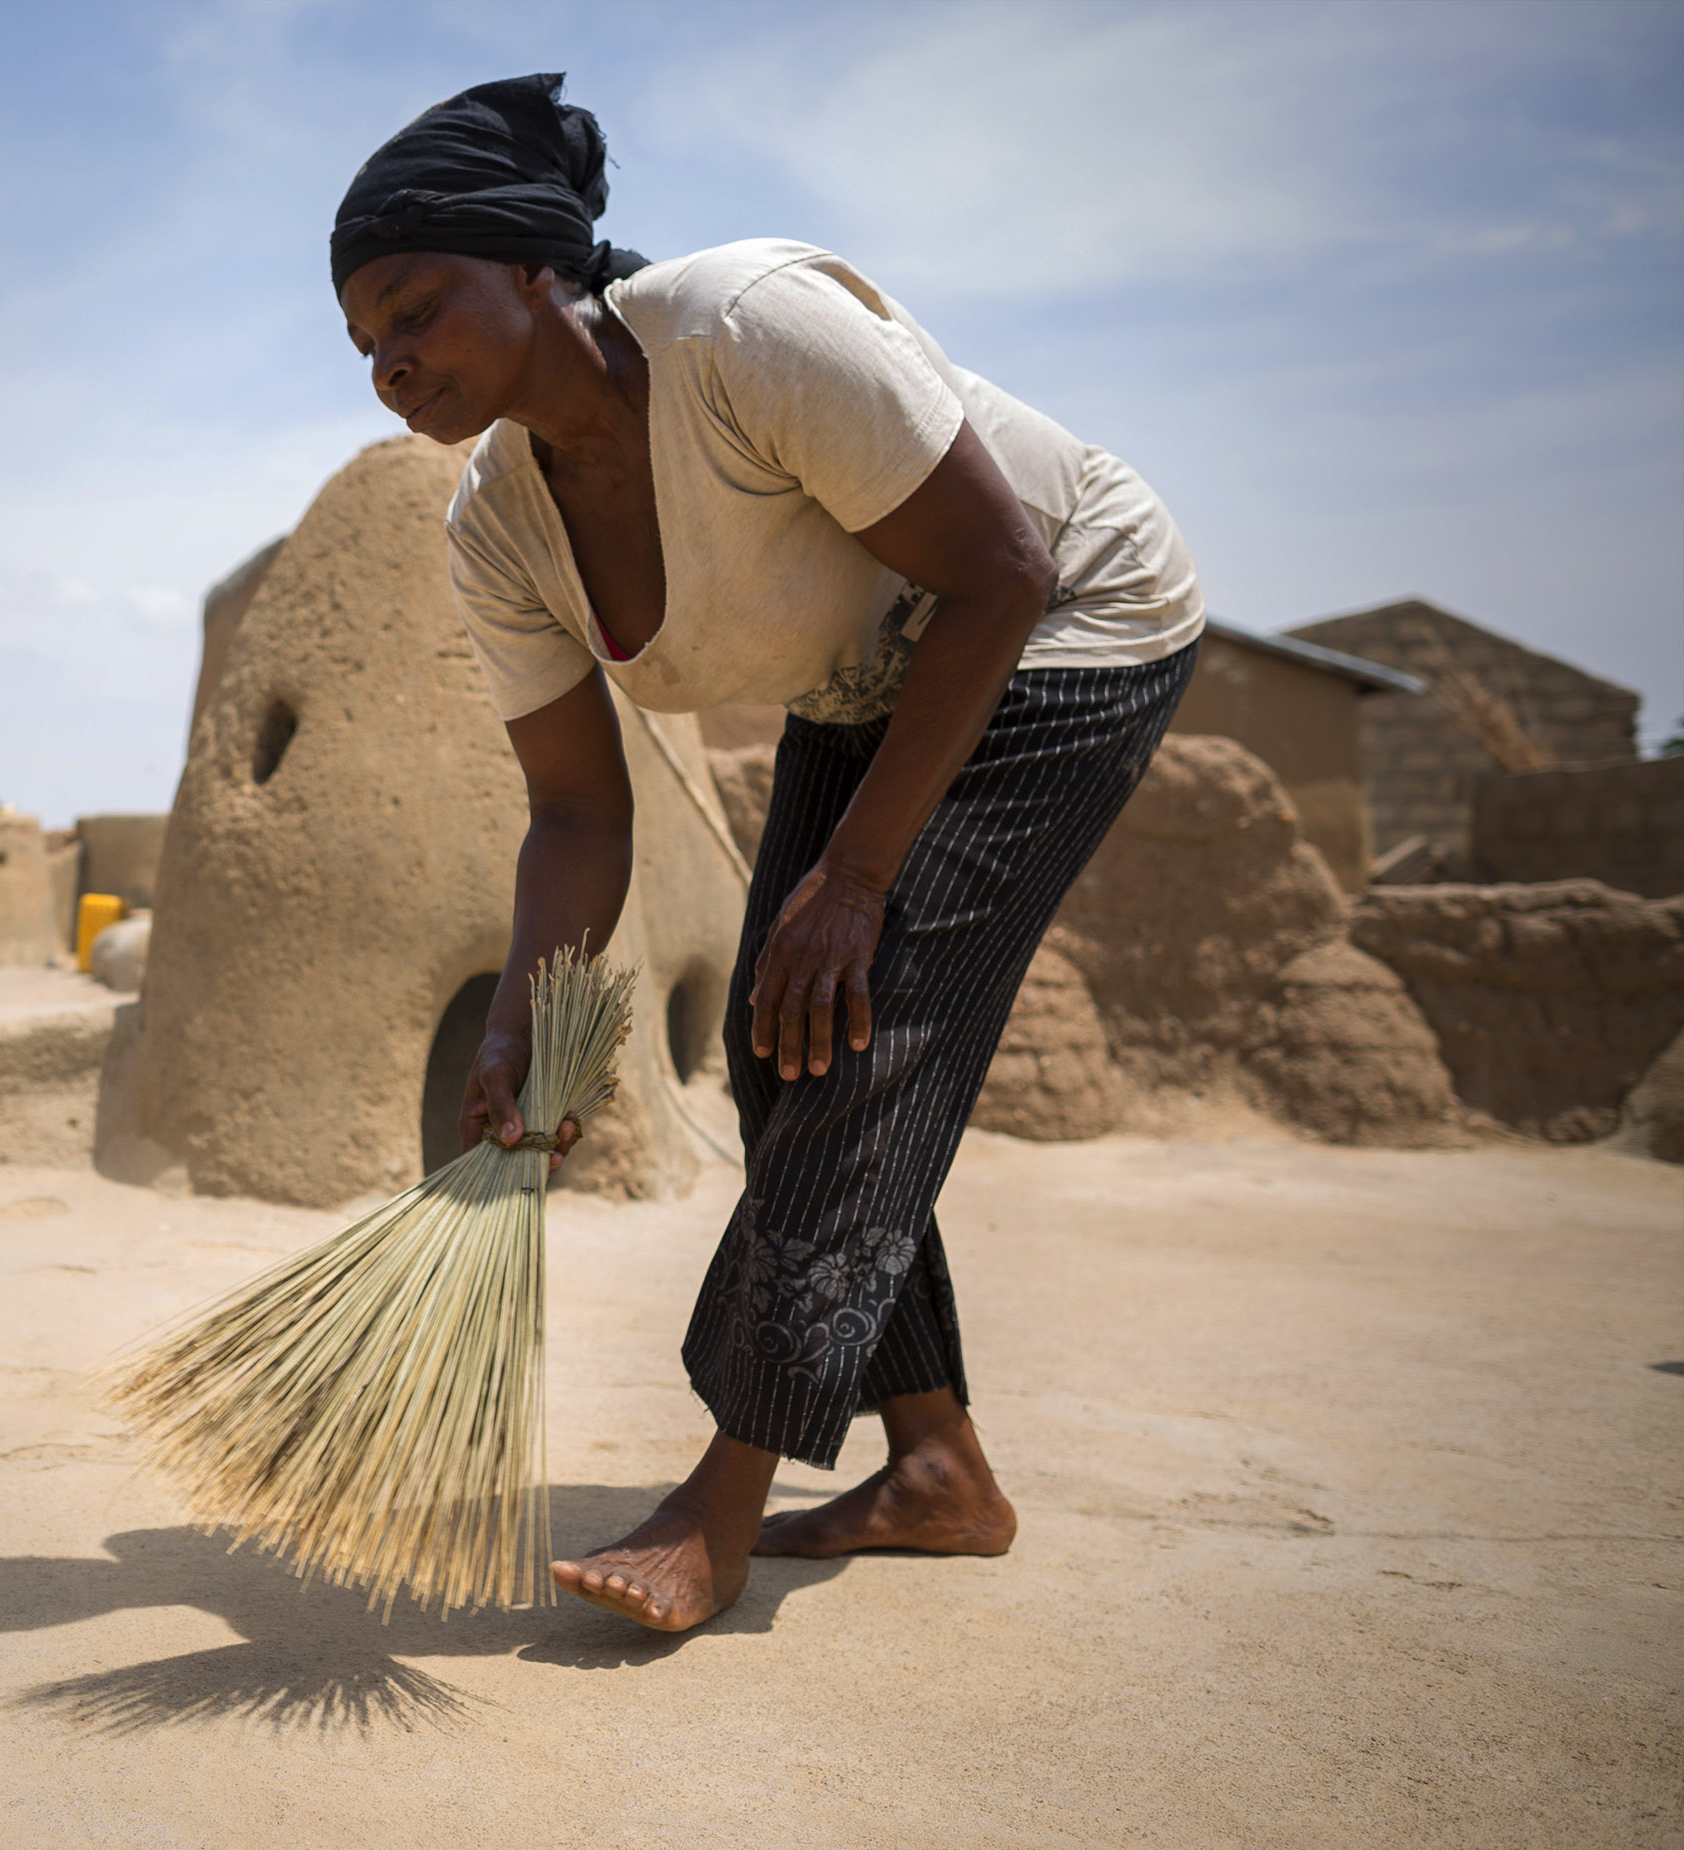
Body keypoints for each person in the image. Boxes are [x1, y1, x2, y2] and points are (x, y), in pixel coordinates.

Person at [333, 76, 1204, 1632]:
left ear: (540, 264)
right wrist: (523, 1024)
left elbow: (999, 571)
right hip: (873, 677)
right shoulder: (496, 528)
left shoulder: (742, 331)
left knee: (854, 1046)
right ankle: (937, 1464)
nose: (395, 364)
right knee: (773, 1037)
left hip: (1066, 618)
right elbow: (579, 812)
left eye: (419, 308)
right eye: (368, 345)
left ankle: (718, 1500)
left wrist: (857, 879)